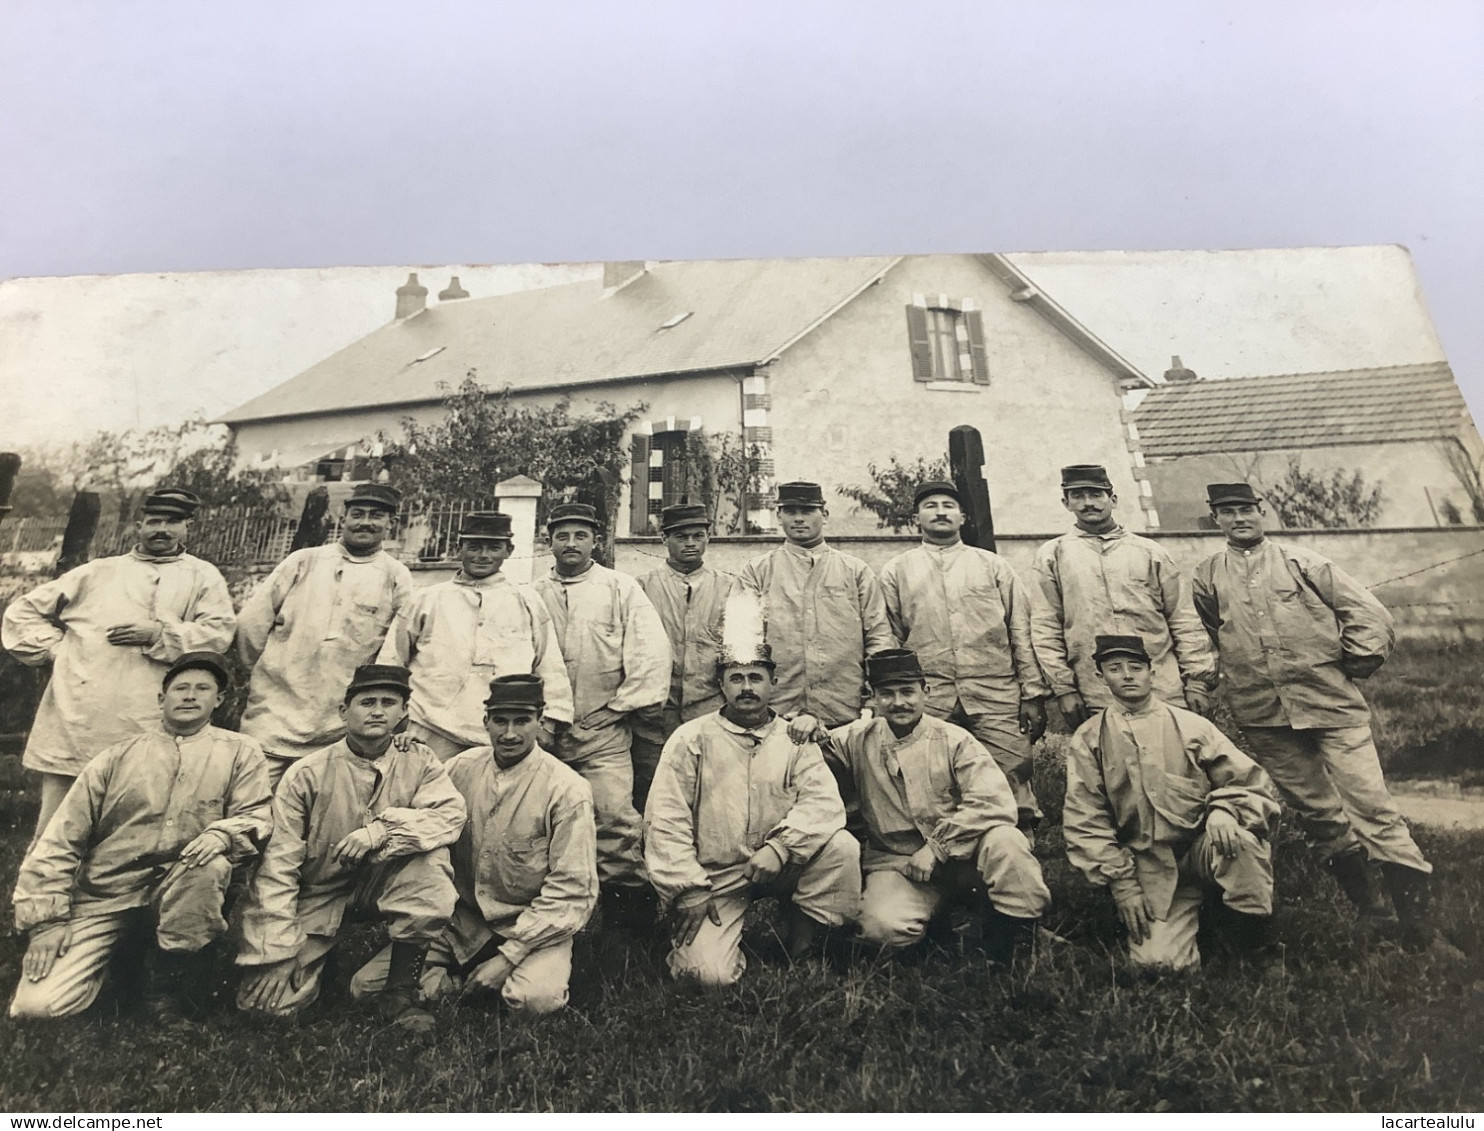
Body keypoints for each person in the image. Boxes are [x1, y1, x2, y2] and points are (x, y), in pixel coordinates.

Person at [1191, 483, 1452, 951]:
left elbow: (1368, 615)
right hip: (1264, 714)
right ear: (1216, 519)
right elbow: (1213, 632)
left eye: (1246, 509)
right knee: (1318, 815)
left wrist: (1354, 662)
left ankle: (1421, 929)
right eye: (1227, 512)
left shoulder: (1303, 562)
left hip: (1330, 705)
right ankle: (1371, 914)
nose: (1238, 519)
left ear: (1262, 511)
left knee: (1374, 808)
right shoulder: (1207, 576)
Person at [9, 651, 271, 1024]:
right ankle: (120, 959)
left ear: (220, 700)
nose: (190, 696)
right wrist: (46, 923)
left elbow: (258, 816)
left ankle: (164, 986)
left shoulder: (240, 752)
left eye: (202, 688)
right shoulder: (116, 756)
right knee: (38, 1008)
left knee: (209, 865)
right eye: (180, 688)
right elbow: (60, 840)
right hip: (107, 893)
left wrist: (224, 834)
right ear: (161, 700)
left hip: (180, 889)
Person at [236, 664, 465, 1031]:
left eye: (389, 702)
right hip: (322, 892)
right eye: (366, 702)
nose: (377, 711)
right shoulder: (307, 772)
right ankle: (321, 966)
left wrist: (380, 832)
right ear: (344, 712)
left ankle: (400, 994)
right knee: (266, 1007)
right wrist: (276, 953)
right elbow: (277, 866)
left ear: (404, 712)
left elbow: (450, 815)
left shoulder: (420, 761)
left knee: (431, 864)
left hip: (386, 884)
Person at [355, 675, 598, 1014]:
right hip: (463, 921)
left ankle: (496, 976)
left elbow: (572, 891)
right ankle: (460, 984)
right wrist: (404, 753)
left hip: (528, 923)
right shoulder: (459, 768)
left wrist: (508, 957)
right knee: (366, 987)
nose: (510, 734)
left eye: (522, 721)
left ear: (540, 721)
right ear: (485, 721)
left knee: (535, 1000)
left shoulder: (567, 789)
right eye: (500, 721)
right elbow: (410, 803)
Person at [789, 649, 1051, 963]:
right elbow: (821, 746)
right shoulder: (858, 738)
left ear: (925, 692)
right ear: (872, 697)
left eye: (907, 692)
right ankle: (937, 928)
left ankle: (1014, 939)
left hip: (967, 857)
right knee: (881, 929)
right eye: (887, 694)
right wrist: (808, 725)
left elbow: (994, 803)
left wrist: (939, 846)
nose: (899, 702)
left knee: (1007, 842)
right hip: (899, 862)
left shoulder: (955, 740)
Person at [3, 487, 236, 838]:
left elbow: (218, 635)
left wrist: (158, 633)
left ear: (188, 527)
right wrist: (55, 651)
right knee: (57, 829)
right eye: (154, 521)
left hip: (149, 715)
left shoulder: (203, 577)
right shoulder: (98, 572)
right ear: (137, 526)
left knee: (132, 827)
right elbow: (22, 614)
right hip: (80, 715)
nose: (162, 530)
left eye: (173, 522)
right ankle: (43, 892)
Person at [644, 642, 861, 987]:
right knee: (704, 975)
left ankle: (803, 945)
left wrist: (781, 847)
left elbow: (823, 803)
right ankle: (724, 945)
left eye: (756, 677)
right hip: (716, 874)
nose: (747, 687)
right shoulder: (690, 739)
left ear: (773, 682)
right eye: (737, 678)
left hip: (781, 863)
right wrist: (689, 889)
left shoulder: (793, 738)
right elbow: (666, 819)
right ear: (721, 685)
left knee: (842, 847)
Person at [1062, 635, 1279, 972]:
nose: (1128, 675)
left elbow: (1251, 783)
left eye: (1136, 667)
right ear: (1101, 676)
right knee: (1161, 966)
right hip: (1147, 866)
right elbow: (1085, 820)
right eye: (1115, 669)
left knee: (1240, 843)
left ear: (1152, 672)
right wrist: (1123, 885)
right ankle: (1199, 916)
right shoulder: (1089, 739)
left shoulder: (1192, 726)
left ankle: (1251, 944)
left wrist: (1223, 810)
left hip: (1201, 848)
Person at [880, 481, 1051, 834]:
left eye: (948, 505)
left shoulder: (993, 566)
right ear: (916, 519)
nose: (940, 511)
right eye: (930, 506)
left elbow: (1020, 629)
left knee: (1010, 771)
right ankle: (948, 863)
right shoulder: (897, 571)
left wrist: (1032, 693)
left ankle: (1017, 855)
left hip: (995, 692)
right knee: (934, 776)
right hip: (931, 694)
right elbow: (889, 638)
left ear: (962, 517)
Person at [532, 501, 669, 925]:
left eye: (580, 535)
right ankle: (552, 921)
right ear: (549, 541)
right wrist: (538, 720)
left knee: (614, 822)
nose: (571, 544)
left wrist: (616, 710)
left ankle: (629, 930)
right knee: (543, 824)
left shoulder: (620, 588)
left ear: (596, 541)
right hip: (544, 736)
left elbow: (650, 653)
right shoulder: (532, 594)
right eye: (562, 536)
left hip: (604, 732)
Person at [237, 483, 413, 789]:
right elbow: (251, 625)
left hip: (339, 727)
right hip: (272, 716)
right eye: (357, 513)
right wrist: (267, 676)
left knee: (323, 816)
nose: (365, 522)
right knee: (251, 806)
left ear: (391, 523)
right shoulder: (303, 561)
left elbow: (395, 651)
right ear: (343, 518)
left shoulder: (396, 576)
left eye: (376, 516)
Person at [1029, 464, 1216, 729]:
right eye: (1078, 496)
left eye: (1096, 495)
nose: (1087, 503)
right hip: (1095, 686)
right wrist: (1064, 688)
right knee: (1113, 762)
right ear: (1066, 503)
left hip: (1161, 680)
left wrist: (1197, 680)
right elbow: (1045, 626)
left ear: (1113, 499)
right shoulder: (1053, 555)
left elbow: (1182, 618)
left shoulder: (1150, 552)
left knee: (1176, 758)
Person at [378, 511, 573, 761]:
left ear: (509, 550)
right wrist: (399, 718)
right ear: (459, 548)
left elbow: (549, 664)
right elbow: (391, 661)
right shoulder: (426, 599)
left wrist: (550, 723)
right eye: (474, 546)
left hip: (503, 733)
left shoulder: (527, 601)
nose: (483, 555)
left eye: (493, 548)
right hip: (429, 727)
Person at [740, 481, 895, 728]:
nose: (799, 519)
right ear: (779, 516)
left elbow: (879, 637)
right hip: (778, 711)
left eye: (808, 511)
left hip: (845, 708)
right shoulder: (757, 571)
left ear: (824, 514)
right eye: (791, 512)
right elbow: (743, 642)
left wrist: (873, 697)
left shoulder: (855, 570)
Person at [632, 502, 742, 812]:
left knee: (712, 794)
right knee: (653, 795)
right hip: (654, 714)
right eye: (681, 536)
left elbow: (742, 652)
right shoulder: (641, 587)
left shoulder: (730, 587)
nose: (690, 543)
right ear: (664, 540)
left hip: (710, 709)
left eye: (698, 535)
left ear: (708, 537)